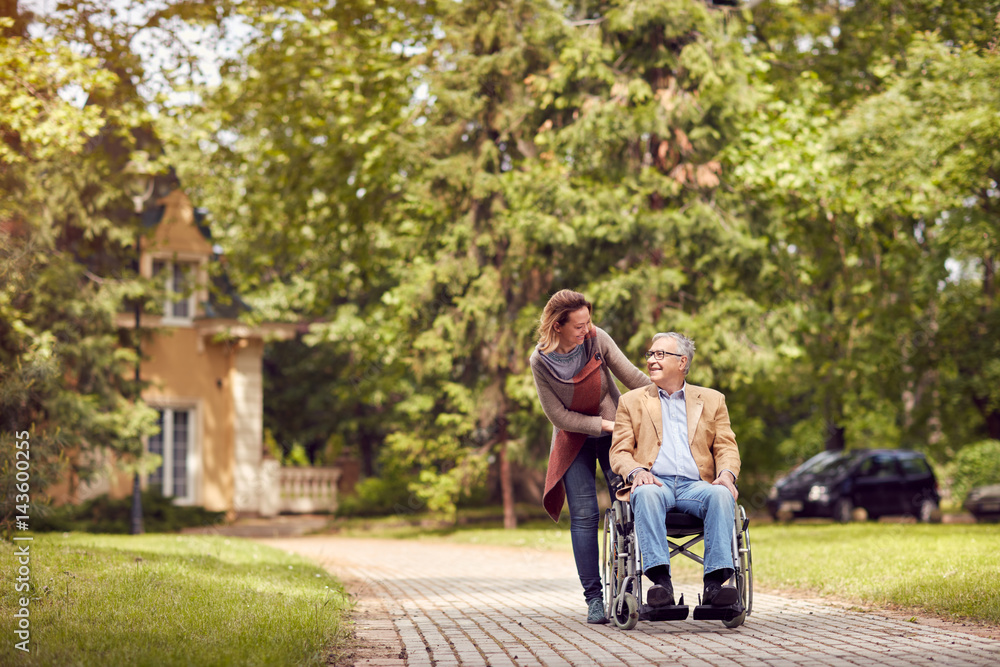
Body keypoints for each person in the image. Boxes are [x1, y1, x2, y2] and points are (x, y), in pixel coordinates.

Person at [530, 289, 651, 625]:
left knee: (627, 503)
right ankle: (594, 599)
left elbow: (633, 378)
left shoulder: (597, 339)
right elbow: (558, 416)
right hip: (574, 437)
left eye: (588, 322)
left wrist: (674, 396)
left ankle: (635, 587)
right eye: (578, 326)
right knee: (583, 515)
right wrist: (604, 424)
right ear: (558, 326)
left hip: (612, 431)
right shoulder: (540, 362)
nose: (586, 330)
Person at [610, 332, 742, 609]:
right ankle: (661, 585)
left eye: (660, 354)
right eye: (650, 354)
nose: (651, 360)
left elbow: (726, 448)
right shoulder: (631, 402)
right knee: (644, 493)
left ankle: (715, 586)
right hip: (654, 483)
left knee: (721, 494)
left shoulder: (712, 400)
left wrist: (726, 475)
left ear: (682, 362)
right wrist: (636, 472)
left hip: (696, 486)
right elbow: (620, 452)